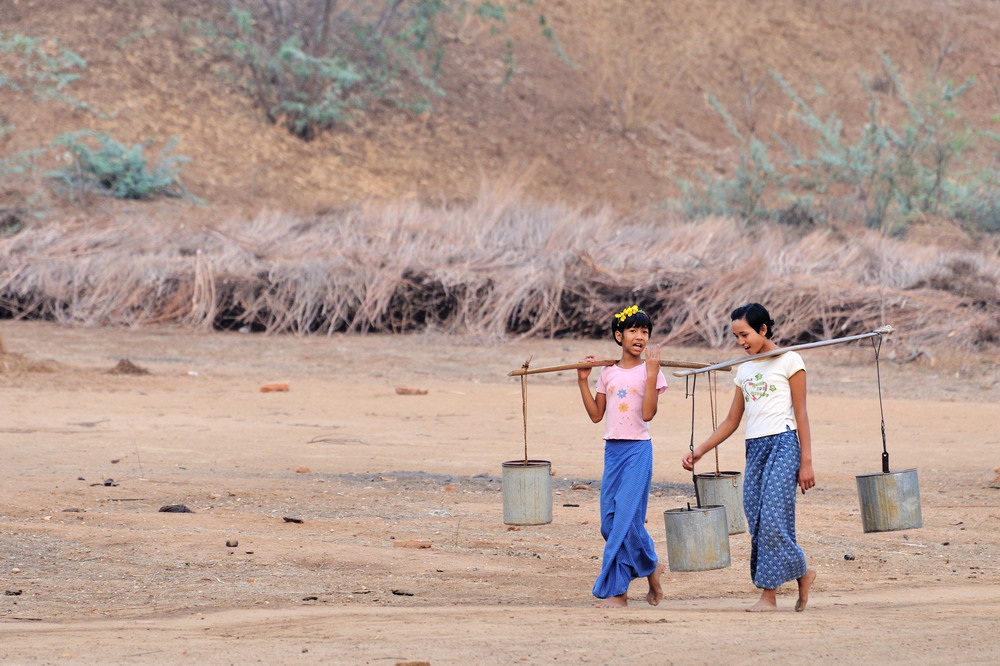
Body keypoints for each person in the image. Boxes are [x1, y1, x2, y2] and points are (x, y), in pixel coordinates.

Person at [682, 303, 817, 612]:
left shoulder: (790, 361)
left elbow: (802, 413)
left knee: (771, 518)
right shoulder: (745, 369)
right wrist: (700, 449)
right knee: (757, 521)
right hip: (754, 449)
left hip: (784, 444)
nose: (741, 342)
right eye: (736, 337)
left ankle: (769, 596)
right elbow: (732, 420)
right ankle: (803, 573)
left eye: (745, 335)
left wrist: (806, 462)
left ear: (763, 330)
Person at [577, 304, 668, 608]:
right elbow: (595, 415)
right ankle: (651, 567)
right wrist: (582, 380)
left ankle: (618, 592)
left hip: (638, 451)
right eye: (633, 330)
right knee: (610, 522)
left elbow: (648, 413)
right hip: (613, 451)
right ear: (619, 335)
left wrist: (653, 374)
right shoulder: (607, 372)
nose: (640, 336)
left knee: (626, 519)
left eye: (644, 331)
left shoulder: (650, 370)